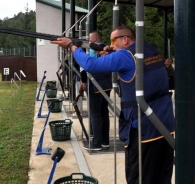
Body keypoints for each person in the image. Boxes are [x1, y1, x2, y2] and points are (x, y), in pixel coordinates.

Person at [51, 26, 175, 184]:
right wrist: (111, 51)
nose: (111, 44)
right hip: (165, 125)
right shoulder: (150, 50)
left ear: (125, 39)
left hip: (143, 129)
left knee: (138, 178)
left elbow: (90, 65)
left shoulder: (125, 55)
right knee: (161, 177)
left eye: (113, 41)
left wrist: (71, 46)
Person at [80, 30, 112, 151]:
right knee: (104, 113)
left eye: (89, 39)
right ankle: (104, 141)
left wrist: (83, 81)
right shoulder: (107, 50)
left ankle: (96, 143)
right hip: (106, 84)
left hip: (96, 84)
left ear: (94, 40)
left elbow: (87, 66)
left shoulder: (96, 50)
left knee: (95, 114)